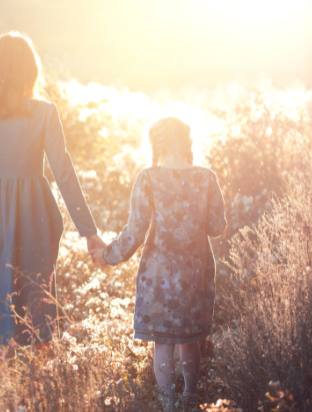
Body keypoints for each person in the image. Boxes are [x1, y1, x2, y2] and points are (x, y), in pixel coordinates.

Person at [0, 31, 106, 366]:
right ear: (30, 71)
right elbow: (64, 172)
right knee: (38, 305)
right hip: (34, 217)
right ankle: (48, 390)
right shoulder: (44, 112)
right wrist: (89, 233)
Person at [90, 117, 226, 411]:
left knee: (163, 344)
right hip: (197, 274)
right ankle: (191, 400)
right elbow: (217, 227)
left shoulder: (148, 177)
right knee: (190, 340)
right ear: (186, 141)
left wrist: (107, 255)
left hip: (159, 275)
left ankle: (168, 405)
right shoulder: (207, 177)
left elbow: (135, 232)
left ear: (156, 143)